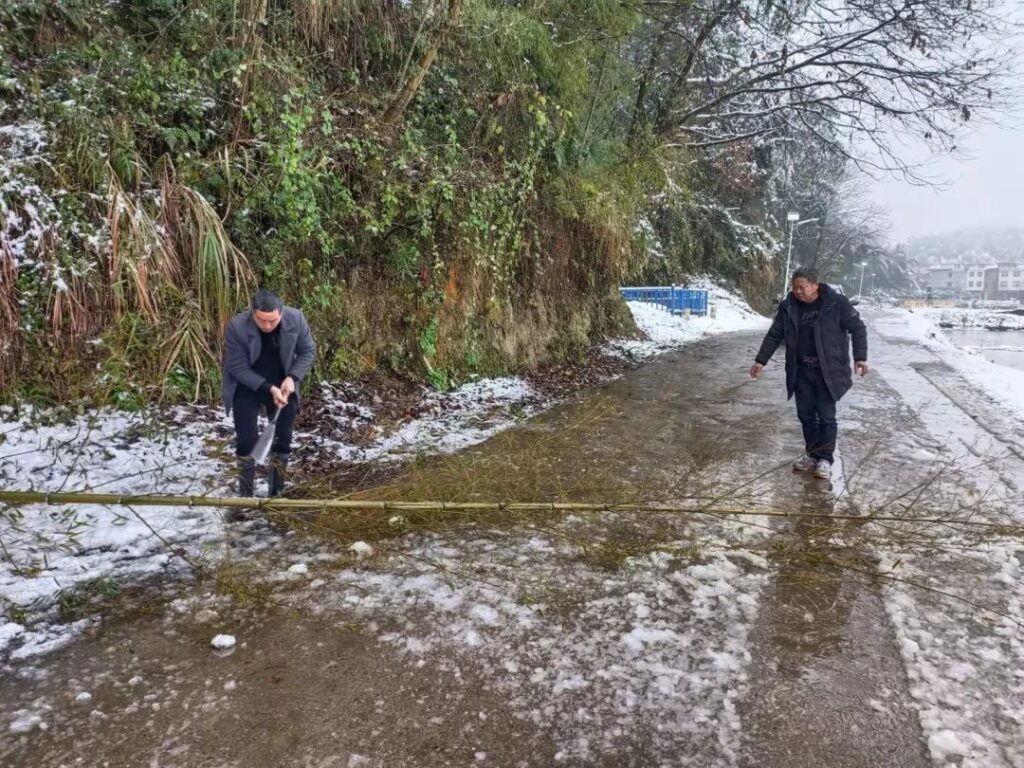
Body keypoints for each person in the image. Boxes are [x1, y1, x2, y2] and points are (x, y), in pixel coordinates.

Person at [750, 267, 868, 481]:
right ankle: (812, 455)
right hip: (801, 369)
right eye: (794, 288)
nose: (797, 292)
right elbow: (775, 334)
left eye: (801, 287)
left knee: (826, 415)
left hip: (828, 371)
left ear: (815, 285)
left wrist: (860, 357)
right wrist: (761, 360)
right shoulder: (789, 307)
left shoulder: (836, 303)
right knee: (805, 416)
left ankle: (825, 459)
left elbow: (858, 328)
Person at [222, 290, 316, 498]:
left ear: (281, 313)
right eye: (260, 320)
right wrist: (269, 389)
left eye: (272, 321)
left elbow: (308, 351)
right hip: (247, 386)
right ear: (253, 313)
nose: (266, 326)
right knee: (247, 440)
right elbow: (237, 368)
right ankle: (245, 495)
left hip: (283, 383)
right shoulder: (237, 327)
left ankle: (276, 492)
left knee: (283, 439)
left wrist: (292, 378)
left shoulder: (296, 319)